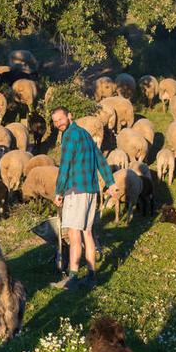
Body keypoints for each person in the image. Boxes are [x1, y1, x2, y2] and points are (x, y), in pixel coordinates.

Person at [49, 107, 118, 290]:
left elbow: (65, 165)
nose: (58, 124)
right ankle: (91, 275)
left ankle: (72, 277)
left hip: (76, 190)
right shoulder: (86, 134)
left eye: (60, 119)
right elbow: (100, 160)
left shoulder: (70, 136)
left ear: (69, 115)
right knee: (87, 232)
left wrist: (59, 192)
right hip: (91, 190)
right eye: (55, 122)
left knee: (74, 233)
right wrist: (110, 182)